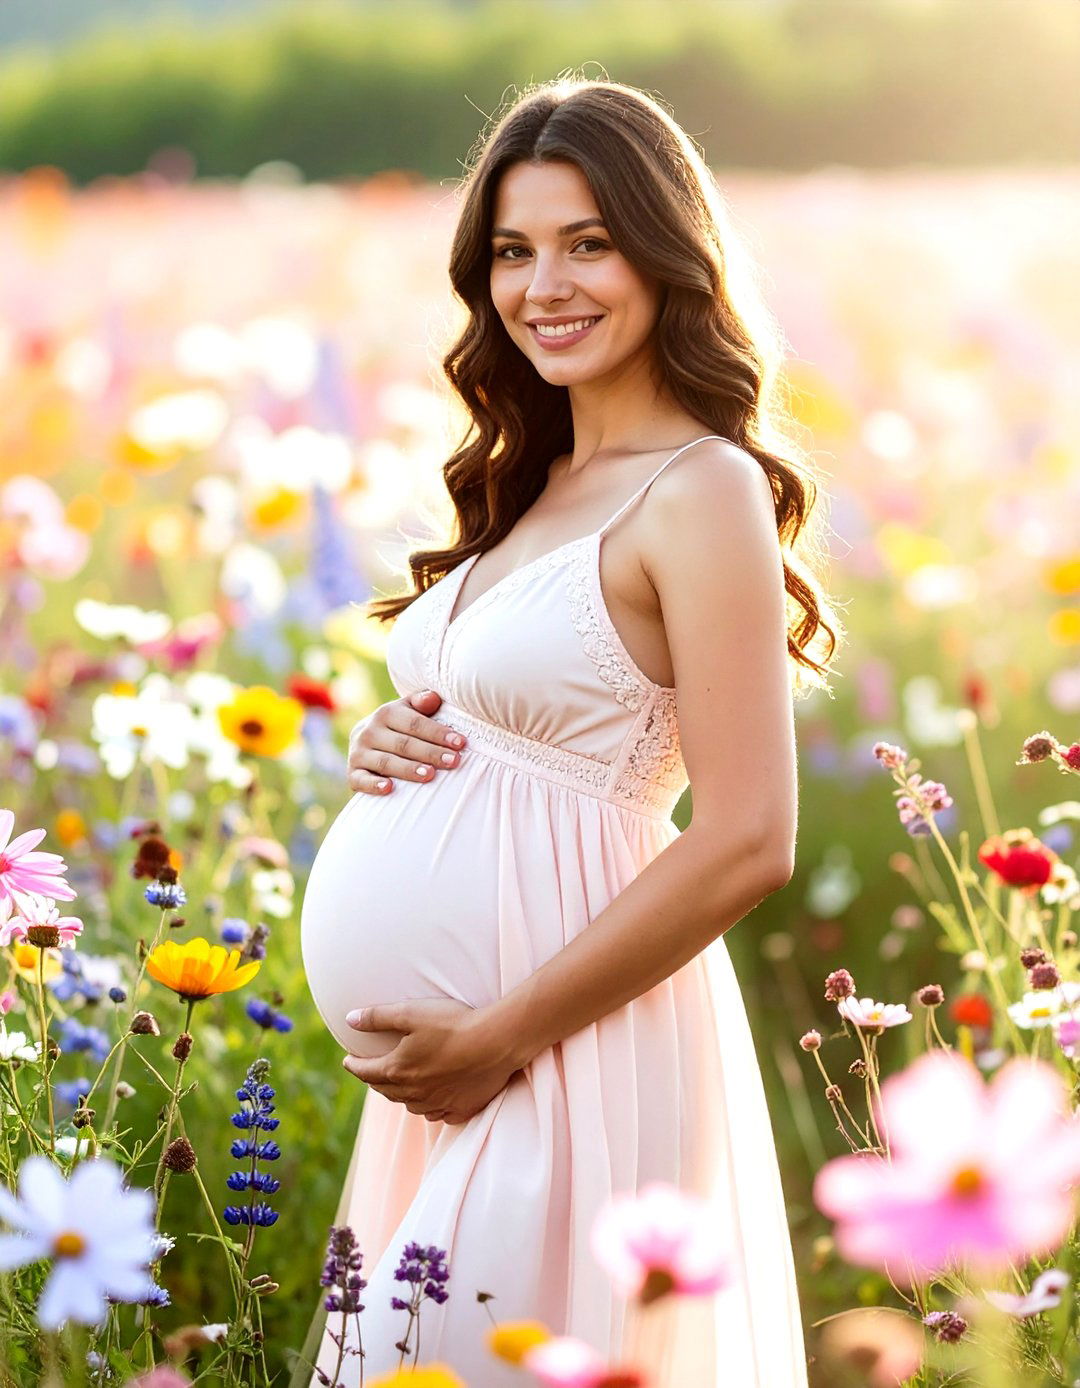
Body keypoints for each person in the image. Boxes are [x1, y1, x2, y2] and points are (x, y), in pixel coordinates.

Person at [296, 75, 843, 1387]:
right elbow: (534, 714)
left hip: (563, 1047)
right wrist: (391, 746)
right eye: (514, 250)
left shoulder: (699, 487)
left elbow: (751, 838)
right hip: (461, 1069)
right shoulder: (535, 482)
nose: (546, 284)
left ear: (668, 256)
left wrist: (499, 1036)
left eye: (589, 242)